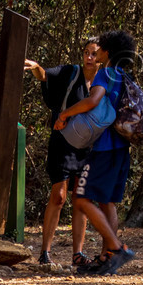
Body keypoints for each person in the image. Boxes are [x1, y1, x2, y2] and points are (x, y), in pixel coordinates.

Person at [57, 29, 138, 276]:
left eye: (100, 48)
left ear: (108, 52)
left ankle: (116, 248)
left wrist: (65, 114)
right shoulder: (124, 76)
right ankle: (107, 258)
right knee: (107, 202)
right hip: (122, 148)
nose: (97, 51)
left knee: (81, 198)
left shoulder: (105, 73)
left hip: (104, 148)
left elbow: (93, 101)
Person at [25, 39, 105, 269]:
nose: (89, 57)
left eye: (94, 54)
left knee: (81, 198)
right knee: (59, 196)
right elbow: (44, 76)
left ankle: (77, 254)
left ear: (101, 58)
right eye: (86, 52)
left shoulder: (103, 81)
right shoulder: (70, 72)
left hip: (88, 146)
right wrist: (35, 67)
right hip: (63, 141)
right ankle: (45, 253)